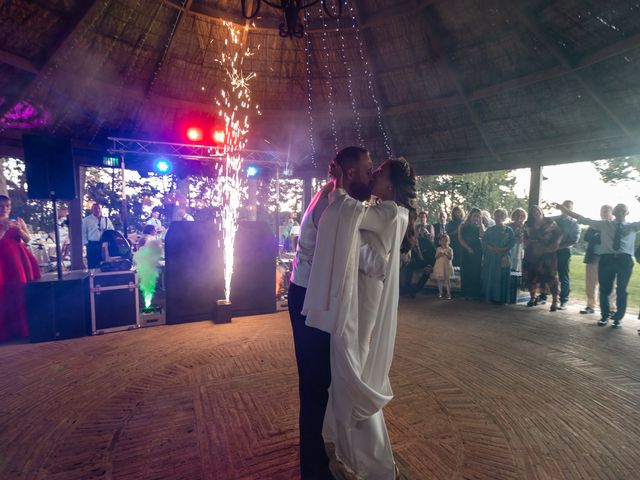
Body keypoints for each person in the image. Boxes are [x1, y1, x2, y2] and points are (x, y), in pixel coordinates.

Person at [303, 156, 416, 480]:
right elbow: (362, 244)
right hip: (359, 296)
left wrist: (338, 188)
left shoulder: (390, 212)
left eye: (378, 172)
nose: (373, 175)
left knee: (353, 369)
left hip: (364, 301)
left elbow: (351, 218)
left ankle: (372, 460)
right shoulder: (389, 212)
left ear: (390, 184)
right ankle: (347, 445)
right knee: (347, 367)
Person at [288, 146, 373, 480]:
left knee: (317, 381)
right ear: (349, 173)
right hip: (311, 296)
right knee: (314, 383)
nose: (371, 174)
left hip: (307, 291)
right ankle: (312, 468)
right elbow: (353, 254)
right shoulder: (336, 204)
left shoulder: (329, 194)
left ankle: (316, 455)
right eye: (367, 169)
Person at [554, 202, 640, 327]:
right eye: (618, 209)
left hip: (624, 260)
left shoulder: (633, 226)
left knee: (621, 290)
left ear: (627, 213)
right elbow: (582, 218)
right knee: (604, 289)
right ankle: (604, 316)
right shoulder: (605, 224)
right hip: (607, 259)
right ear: (614, 212)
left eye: (623, 210)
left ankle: (618, 319)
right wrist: (563, 209)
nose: (621, 212)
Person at [0, 195, 41, 342]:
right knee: (4, 293)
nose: (4, 209)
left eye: (7, 206)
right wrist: (4, 229)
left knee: (21, 291)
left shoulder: (17, 220)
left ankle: (23, 328)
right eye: (1, 206)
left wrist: (20, 230)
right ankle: (6, 331)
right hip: (2, 262)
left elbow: (28, 239)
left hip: (18, 261)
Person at [523, 205, 562, 311]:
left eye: (537, 210)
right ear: (531, 214)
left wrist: (556, 243)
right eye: (533, 211)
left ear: (541, 211)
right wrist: (527, 242)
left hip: (547, 253)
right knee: (531, 275)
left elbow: (559, 234)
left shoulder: (550, 222)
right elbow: (525, 237)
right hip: (532, 254)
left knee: (551, 277)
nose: (536, 212)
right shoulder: (528, 224)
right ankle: (532, 298)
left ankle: (555, 301)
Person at [581, 205, 616, 316]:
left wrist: (598, 236)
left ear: (612, 213)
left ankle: (612, 308)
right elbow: (586, 237)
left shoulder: (614, 226)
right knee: (591, 283)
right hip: (593, 257)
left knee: (611, 284)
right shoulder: (594, 225)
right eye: (602, 211)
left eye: (606, 211)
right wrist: (601, 236)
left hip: (609, 259)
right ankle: (590, 306)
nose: (604, 213)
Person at [482, 209, 515, 304]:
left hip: (503, 257)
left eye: (500, 216)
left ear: (504, 217)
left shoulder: (509, 230)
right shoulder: (490, 229)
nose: (497, 218)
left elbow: (512, 242)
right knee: (490, 276)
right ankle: (489, 297)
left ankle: (502, 299)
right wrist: (491, 248)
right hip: (491, 257)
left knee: (502, 277)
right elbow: (484, 241)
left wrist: (503, 249)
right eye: (496, 216)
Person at [552, 200, 581, 308]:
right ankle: (543, 296)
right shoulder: (554, 220)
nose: (566, 208)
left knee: (563, 275)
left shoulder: (575, 223)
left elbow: (574, 240)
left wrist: (557, 247)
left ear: (571, 210)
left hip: (564, 251)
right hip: (551, 251)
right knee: (549, 273)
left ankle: (564, 300)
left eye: (569, 207)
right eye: (565, 206)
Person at [458, 207, 484, 299]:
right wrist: (468, 248)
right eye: (474, 216)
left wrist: (481, 223)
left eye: (478, 216)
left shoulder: (480, 226)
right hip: (465, 250)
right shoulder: (462, 225)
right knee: (466, 271)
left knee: (476, 271)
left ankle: (474, 294)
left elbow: (482, 235)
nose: (476, 217)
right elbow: (460, 239)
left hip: (477, 250)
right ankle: (465, 293)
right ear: (470, 216)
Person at [82, 203, 114, 269]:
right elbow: (83, 232)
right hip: (92, 244)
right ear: (92, 210)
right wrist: (86, 243)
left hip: (103, 244)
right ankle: (92, 277)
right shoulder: (86, 220)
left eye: (99, 208)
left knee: (103, 263)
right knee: (92, 263)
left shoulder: (106, 220)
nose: (97, 210)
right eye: (95, 209)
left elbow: (111, 231)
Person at [433, 233, 454, 299]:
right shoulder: (438, 249)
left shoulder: (450, 249)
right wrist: (440, 254)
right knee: (440, 280)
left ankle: (448, 294)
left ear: (448, 241)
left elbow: (451, 258)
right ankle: (440, 292)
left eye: (446, 240)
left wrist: (446, 254)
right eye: (442, 240)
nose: (444, 242)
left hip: (446, 266)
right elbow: (436, 257)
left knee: (447, 280)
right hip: (439, 266)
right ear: (440, 241)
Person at [508, 208, 527, 272]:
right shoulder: (508, 226)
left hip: (520, 250)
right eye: (517, 214)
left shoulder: (526, 227)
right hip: (509, 249)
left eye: (521, 215)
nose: (519, 216)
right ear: (513, 215)